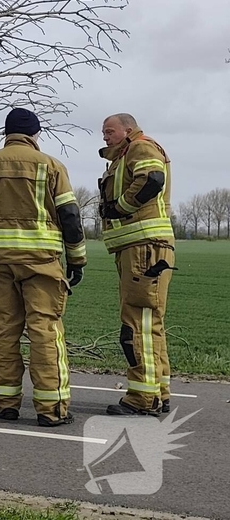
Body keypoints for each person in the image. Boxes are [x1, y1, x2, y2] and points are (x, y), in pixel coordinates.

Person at [0, 108, 86, 427]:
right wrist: (77, 259)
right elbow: (70, 217)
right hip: (41, 262)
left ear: (7, 133)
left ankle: (4, 402)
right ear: (35, 134)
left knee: (4, 328)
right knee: (45, 330)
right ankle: (52, 408)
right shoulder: (51, 166)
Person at [98, 113, 175, 417]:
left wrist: (119, 208)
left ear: (127, 130)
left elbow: (152, 181)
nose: (104, 137)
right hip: (142, 247)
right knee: (150, 322)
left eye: (109, 131)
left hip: (144, 247)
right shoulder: (127, 154)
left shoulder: (140, 148)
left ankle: (142, 398)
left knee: (138, 323)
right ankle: (159, 391)